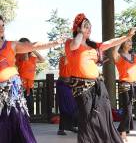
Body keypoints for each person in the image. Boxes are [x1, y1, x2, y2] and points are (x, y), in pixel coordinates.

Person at [64, 13, 136, 143]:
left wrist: (127, 36)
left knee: (103, 115)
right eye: (86, 27)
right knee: (87, 118)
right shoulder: (71, 43)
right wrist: (80, 31)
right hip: (81, 87)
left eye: (89, 27)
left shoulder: (93, 46)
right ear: (78, 28)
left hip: (98, 86)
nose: (89, 29)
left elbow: (110, 43)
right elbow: (76, 44)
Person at [0, 15, 64, 143]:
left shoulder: (11, 45)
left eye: (3, 25)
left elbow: (33, 46)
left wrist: (54, 42)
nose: (1, 28)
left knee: (17, 122)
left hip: (11, 93)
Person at [112, 38, 136, 142]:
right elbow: (114, 51)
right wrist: (122, 38)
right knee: (128, 110)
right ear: (122, 44)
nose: (130, 43)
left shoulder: (135, 56)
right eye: (128, 41)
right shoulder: (119, 56)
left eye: (131, 41)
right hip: (125, 85)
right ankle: (123, 133)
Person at [16, 38, 45, 114]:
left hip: (30, 85)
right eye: (25, 45)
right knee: (22, 105)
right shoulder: (18, 56)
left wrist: (33, 48)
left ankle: (26, 122)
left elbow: (42, 60)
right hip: (21, 85)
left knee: (30, 105)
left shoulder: (32, 58)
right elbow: (25, 59)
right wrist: (27, 47)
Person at [56, 55, 78, 135]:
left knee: (74, 106)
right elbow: (66, 61)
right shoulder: (64, 57)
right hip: (63, 84)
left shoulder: (75, 59)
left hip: (70, 85)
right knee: (64, 107)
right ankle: (61, 129)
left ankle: (72, 126)